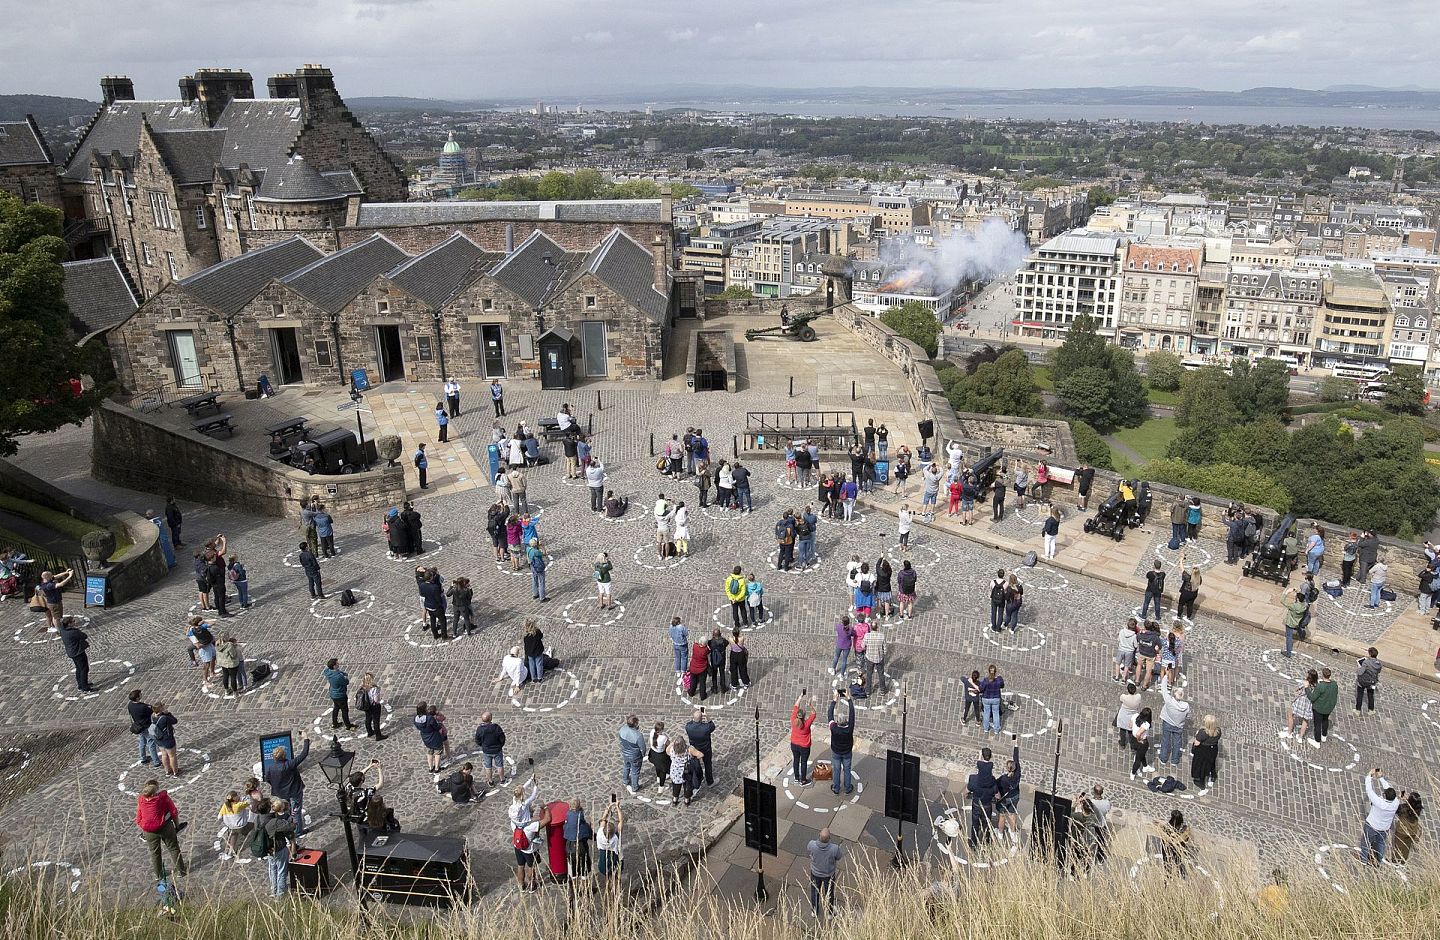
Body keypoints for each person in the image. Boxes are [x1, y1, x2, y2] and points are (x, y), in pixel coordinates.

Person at [135, 779, 187, 880]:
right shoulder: (163, 798)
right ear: (154, 792)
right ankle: (181, 871)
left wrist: (145, 828)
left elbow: (138, 818)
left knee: (155, 853)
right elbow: (174, 811)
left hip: (149, 831)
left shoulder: (141, 800)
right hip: (165, 827)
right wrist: (177, 826)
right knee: (173, 848)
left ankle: (158, 875)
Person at [263, 736, 311, 835]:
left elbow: (267, 779)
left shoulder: (270, 768)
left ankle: (288, 824)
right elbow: (304, 754)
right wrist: (306, 739)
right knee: (296, 811)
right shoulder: (289, 764)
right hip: (294, 792)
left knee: (287, 809)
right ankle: (298, 831)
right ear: (284, 756)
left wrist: (276, 785)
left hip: (281, 793)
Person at [1360, 769, 1401, 865]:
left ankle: (1363, 859)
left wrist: (1369, 775)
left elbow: (1369, 790)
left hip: (1372, 825)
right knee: (1381, 843)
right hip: (1384, 828)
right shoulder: (1396, 803)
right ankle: (1378, 860)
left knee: (1365, 842)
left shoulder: (1379, 802)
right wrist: (1381, 778)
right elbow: (1388, 788)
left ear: (1385, 795)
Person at [806, 828, 844, 921]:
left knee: (815, 892)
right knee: (829, 893)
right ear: (829, 838)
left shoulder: (812, 844)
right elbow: (839, 857)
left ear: (819, 835)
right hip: (828, 874)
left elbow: (809, 851)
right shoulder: (834, 848)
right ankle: (830, 913)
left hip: (815, 873)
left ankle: (814, 910)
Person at [966, 745, 998, 847]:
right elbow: (997, 795)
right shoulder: (992, 781)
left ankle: (974, 843)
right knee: (986, 824)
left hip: (976, 805)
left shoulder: (973, 779)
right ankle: (986, 841)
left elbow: (966, 791)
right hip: (987, 806)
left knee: (975, 825)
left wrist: (966, 795)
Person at [828, 689, 856, 794]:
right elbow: (852, 714)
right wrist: (849, 699)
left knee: (836, 770)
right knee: (847, 770)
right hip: (847, 751)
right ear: (846, 721)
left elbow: (829, 714)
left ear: (838, 722)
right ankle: (848, 788)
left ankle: (836, 788)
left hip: (836, 751)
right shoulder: (849, 728)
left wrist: (834, 700)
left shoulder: (833, 728)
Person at [994, 737, 1021, 844]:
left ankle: (1000, 833)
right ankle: (1013, 832)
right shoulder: (1018, 773)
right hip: (1015, 796)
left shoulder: (1003, 779)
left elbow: (995, 785)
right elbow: (1016, 758)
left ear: (1007, 768)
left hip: (1005, 800)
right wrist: (1016, 745)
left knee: (1002, 816)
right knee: (1012, 814)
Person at [58, 616, 92, 692]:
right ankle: (85, 687)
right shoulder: (73, 632)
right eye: (73, 621)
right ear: (69, 624)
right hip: (78, 652)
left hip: (71, 652)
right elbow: (84, 636)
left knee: (78, 668)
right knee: (84, 669)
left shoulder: (63, 630)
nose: (75, 622)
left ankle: (81, 685)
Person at [684, 709, 717, 788]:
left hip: (694, 749)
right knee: (708, 764)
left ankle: (698, 778)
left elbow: (691, 722)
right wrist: (707, 716)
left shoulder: (688, 727)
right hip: (705, 749)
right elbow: (712, 726)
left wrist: (696, 718)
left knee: (696, 764)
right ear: (702, 718)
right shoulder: (705, 728)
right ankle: (710, 782)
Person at [217, 790, 253, 861]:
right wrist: (245, 798)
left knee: (232, 838)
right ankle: (231, 853)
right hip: (240, 826)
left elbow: (219, 816)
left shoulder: (225, 805)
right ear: (235, 798)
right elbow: (248, 802)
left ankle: (228, 852)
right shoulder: (238, 806)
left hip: (230, 826)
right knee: (253, 827)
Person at [1390, 792, 1424, 865]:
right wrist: (1406, 801)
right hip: (1412, 832)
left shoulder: (1403, 808)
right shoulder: (1418, 808)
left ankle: (1395, 861)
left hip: (1402, 831)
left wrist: (1399, 798)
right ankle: (1403, 862)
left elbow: (1395, 809)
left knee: (1398, 846)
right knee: (1407, 847)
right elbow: (1412, 807)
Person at [1307, 667, 1338, 746]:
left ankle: (1317, 742)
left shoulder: (1320, 686)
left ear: (1323, 675)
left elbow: (1312, 697)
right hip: (1328, 708)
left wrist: (1307, 688)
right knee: (1325, 720)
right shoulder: (1334, 684)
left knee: (1317, 725)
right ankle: (1324, 736)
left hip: (1319, 709)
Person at [324, 658, 357, 731]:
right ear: (334, 666)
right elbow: (346, 682)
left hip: (333, 694)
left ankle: (335, 723)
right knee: (344, 710)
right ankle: (348, 725)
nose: (338, 664)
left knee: (336, 708)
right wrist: (344, 676)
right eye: (337, 663)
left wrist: (342, 673)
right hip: (340, 695)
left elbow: (335, 672)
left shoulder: (328, 671)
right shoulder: (338, 677)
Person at [1190, 714, 1221, 789]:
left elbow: (1197, 743)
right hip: (1212, 749)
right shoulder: (1218, 731)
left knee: (1200, 765)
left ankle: (1200, 781)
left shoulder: (1202, 732)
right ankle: (1213, 776)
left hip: (1202, 750)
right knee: (1211, 763)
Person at [1158, 810, 1192, 878]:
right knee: (1169, 861)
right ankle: (1169, 874)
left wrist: (1173, 841)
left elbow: (1184, 836)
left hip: (1176, 847)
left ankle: (1175, 874)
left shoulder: (1184, 827)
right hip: (1170, 846)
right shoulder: (1169, 825)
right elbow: (1162, 831)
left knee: (1176, 861)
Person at [596, 800, 624, 880]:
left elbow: (603, 819)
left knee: (607, 876)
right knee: (616, 877)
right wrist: (618, 807)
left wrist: (609, 807)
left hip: (604, 861)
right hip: (615, 860)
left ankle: (608, 887)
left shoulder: (600, 834)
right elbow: (621, 821)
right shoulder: (616, 838)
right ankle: (615, 887)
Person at [618, 714, 645, 794]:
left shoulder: (622, 729)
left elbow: (620, 740)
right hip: (635, 756)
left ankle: (625, 780)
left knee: (626, 766)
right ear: (635, 723)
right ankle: (635, 787)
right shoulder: (638, 735)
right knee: (635, 771)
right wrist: (642, 755)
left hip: (625, 753)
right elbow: (642, 748)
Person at [151, 703, 180, 776]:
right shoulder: (164, 718)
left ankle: (167, 771)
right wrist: (168, 714)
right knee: (172, 756)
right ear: (160, 709)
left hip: (158, 739)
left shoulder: (152, 716)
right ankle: (175, 771)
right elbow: (174, 721)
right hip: (167, 739)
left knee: (164, 755)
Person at [979, 664, 1004, 736]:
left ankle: (986, 728)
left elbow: (981, 689)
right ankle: (996, 729)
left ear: (988, 671)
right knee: (996, 713)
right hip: (996, 699)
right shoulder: (999, 680)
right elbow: (1002, 685)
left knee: (986, 713)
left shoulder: (986, 680)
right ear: (995, 671)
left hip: (986, 698)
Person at [1356, 647, 1382, 714]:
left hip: (1363, 681)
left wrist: (1359, 667)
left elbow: (1360, 673)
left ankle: (1358, 710)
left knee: (1360, 695)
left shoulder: (1366, 662)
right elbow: (1378, 672)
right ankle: (1371, 710)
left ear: (1370, 654)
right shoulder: (1379, 664)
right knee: (1371, 695)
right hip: (1372, 682)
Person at [1130, 706, 1153, 780]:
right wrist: (1139, 740)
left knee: (1141, 754)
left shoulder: (1135, 715)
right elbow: (1138, 734)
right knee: (1138, 760)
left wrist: (1134, 729)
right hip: (1140, 742)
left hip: (1133, 739)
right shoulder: (1146, 724)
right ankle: (1133, 772)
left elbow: (1129, 725)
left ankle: (1145, 766)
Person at [862, 622, 886, 693]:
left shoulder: (867, 636)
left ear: (871, 628)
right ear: (877, 627)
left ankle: (868, 690)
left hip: (869, 657)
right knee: (881, 673)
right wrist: (883, 654)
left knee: (869, 674)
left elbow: (862, 646)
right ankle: (882, 690)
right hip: (879, 658)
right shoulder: (882, 636)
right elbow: (885, 649)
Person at [647, 722, 671, 790]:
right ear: (661, 730)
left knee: (657, 766)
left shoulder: (652, 732)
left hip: (653, 753)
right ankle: (661, 787)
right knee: (663, 770)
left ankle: (658, 778)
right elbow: (668, 743)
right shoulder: (663, 737)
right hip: (661, 755)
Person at [527, 538, 549, 602]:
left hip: (532, 566)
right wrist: (542, 547)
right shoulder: (536, 552)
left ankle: (535, 594)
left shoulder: (528, 549)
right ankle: (542, 597)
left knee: (534, 580)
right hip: (538, 567)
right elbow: (544, 553)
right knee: (541, 581)